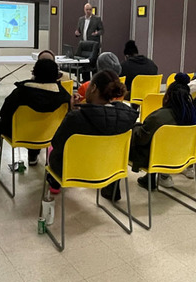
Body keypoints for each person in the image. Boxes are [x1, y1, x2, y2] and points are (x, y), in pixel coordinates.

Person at [47, 70, 138, 200]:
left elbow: (57, 143)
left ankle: (54, 183)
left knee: (52, 151)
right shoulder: (126, 117)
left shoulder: (76, 118)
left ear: (94, 88)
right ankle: (111, 191)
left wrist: (71, 112)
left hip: (74, 171)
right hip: (111, 170)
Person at [0, 59, 71, 170]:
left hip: (21, 134)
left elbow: (4, 114)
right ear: (56, 76)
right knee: (40, 124)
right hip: (49, 134)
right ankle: (33, 155)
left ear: (34, 73)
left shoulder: (21, 92)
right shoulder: (64, 95)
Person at [131, 73, 196, 189]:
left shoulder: (158, 117)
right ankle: (154, 177)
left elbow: (140, 138)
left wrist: (135, 126)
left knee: (134, 140)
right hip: (184, 157)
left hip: (157, 158)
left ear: (168, 96)